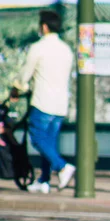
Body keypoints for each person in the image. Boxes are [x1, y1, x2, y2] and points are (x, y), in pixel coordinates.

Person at [13, 10, 75, 194]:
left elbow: (25, 74)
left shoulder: (38, 48)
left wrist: (17, 88)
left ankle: (62, 166)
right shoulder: (66, 49)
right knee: (50, 142)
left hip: (42, 101)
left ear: (44, 27)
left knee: (38, 139)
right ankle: (44, 181)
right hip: (60, 103)